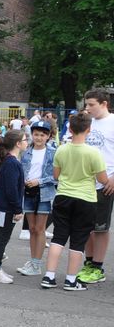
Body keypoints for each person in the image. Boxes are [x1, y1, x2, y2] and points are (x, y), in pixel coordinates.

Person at [41, 112, 110, 290]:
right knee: (78, 240)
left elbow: (56, 175)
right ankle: (71, 280)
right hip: (86, 198)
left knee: (59, 236)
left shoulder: (62, 149)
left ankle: (49, 276)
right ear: (89, 129)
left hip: (63, 196)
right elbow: (102, 179)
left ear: (70, 129)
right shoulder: (94, 153)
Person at [79, 90, 114, 284]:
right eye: (86, 104)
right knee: (86, 226)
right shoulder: (87, 123)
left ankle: (98, 267)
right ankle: (89, 262)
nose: (88, 108)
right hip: (84, 182)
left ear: (104, 104)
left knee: (100, 228)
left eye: (91, 104)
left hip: (105, 183)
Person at [0, 130, 27, 283]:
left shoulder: (9, 160)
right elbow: (11, 189)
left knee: (0, 236)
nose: (27, 142)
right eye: (25, 140)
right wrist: (18, 209)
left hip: (4, 206)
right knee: (1, 238)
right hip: (7, 207)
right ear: (18, 143)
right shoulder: (12, 162)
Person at [16, 121, 57, 276]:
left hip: (44, 193)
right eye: (36, 134)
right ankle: (33, 261)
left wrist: (39, 181)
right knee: (31, 229)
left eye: (42, 135)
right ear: (31, 135)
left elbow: (56, 176)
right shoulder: (26, 152)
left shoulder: (53, 152)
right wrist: (24, 181)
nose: (39, 138)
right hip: (28, 192)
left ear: (48, 136)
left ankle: (36, 264)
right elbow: (21, 170)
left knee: (40, 229)